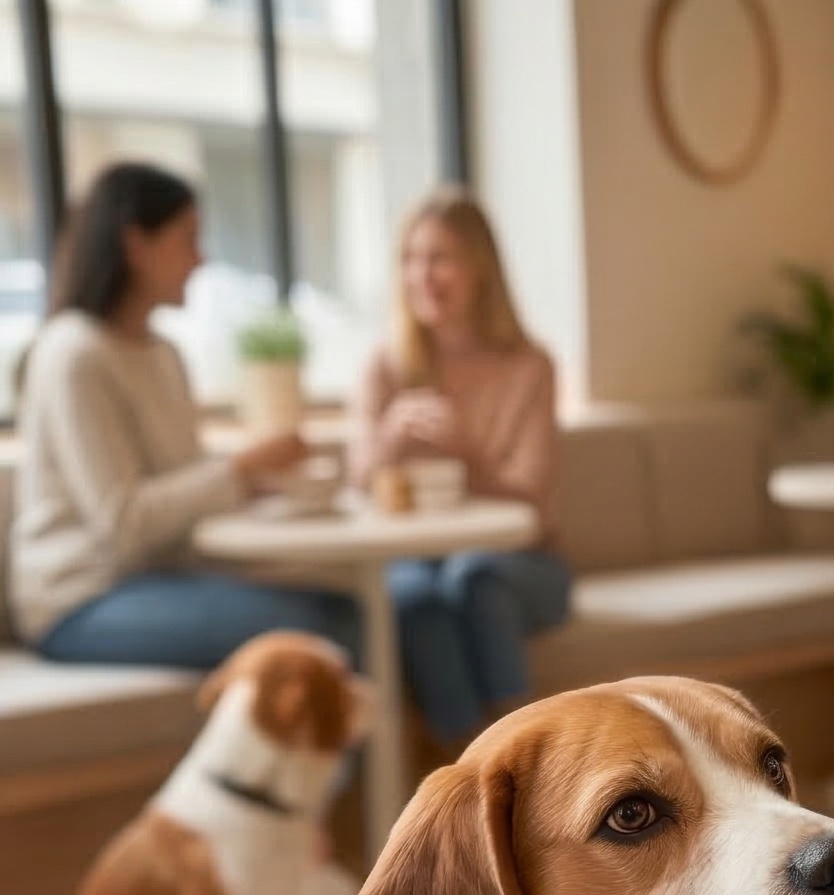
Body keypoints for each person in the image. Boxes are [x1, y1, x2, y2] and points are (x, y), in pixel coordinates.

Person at [11, 162, 362, 667]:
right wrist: (239, 470)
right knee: (321, 626)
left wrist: (258, 485)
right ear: (137, 245)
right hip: (79, 599)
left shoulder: (164, 355)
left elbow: (180, 485)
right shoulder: (74, 354)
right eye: (189, 239)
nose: (202, 259)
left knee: (352, 606)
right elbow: (125, 527)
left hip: (160, 579)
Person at [349, 187, 567, 744]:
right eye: (411, 259)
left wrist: (468, 451)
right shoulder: (385, 366)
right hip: (416, 561)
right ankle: (473, 767)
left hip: (523, 564)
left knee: (473, 577)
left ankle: (523, 761)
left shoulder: (530, 366)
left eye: (440, 258)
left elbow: (533, 501)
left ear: (481, 270)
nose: (422, 276)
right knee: (413, 599)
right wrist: (389, 440)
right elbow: (357, 485)